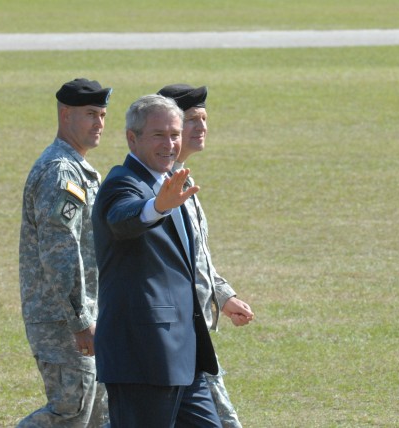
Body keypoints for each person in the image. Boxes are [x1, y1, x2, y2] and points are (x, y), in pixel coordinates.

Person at [92, 94, 222, 427]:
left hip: (183, 354)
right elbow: (123, 220)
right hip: (143, 355)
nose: (170, 144)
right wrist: (157, 208)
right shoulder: (122, 182)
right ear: (132, 138)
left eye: (175, 135)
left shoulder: (170, 183)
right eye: (159, 135)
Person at [158, 83, 255, 427]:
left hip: (190, 331)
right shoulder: (159, 186)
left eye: (204, 119)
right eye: (192, 120)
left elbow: (195, 258)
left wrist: (223, 296)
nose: (201, 127)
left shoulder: (182, 178)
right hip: (172, 335)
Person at [18, 78, 112, 428]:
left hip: (85, 312)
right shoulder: (61, 172)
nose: (99, 123)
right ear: (65, 114)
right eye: (90, 114)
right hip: (62, 318)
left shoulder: (79, 168)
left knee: (97, 413)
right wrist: (80, 320)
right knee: (71, 411)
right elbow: (61, 254)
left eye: (102, 115)